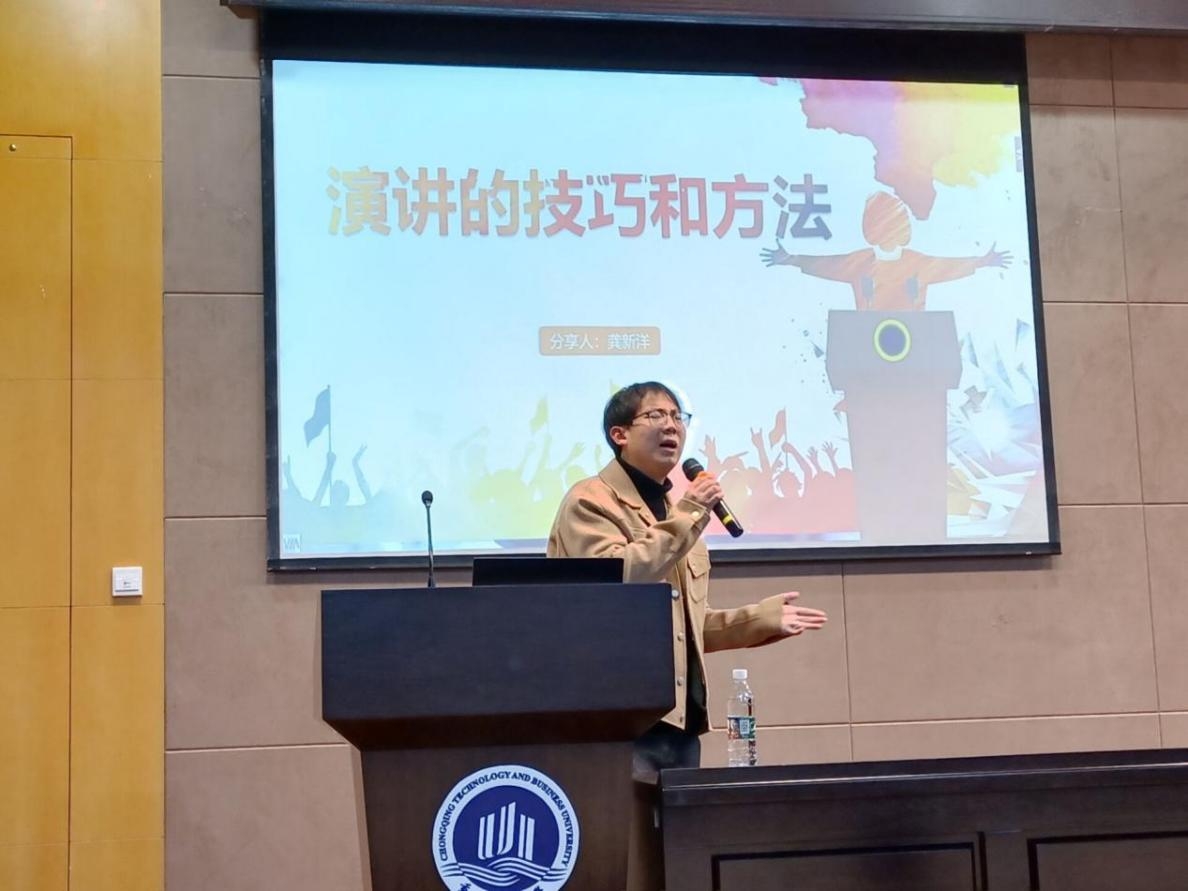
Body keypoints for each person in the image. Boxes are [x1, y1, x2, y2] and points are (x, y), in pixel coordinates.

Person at [546, 381, 828, 891]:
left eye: (678, 416)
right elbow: (618, 579)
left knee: (675, 868)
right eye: (656, 415)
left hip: (678, 720)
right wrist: (691, 513)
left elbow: (684, 628)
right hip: (619, 721)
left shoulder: (675, 512)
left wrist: (759, 620)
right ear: (619, 434)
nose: (672, 426)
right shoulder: (591, 502)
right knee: (622, 865)